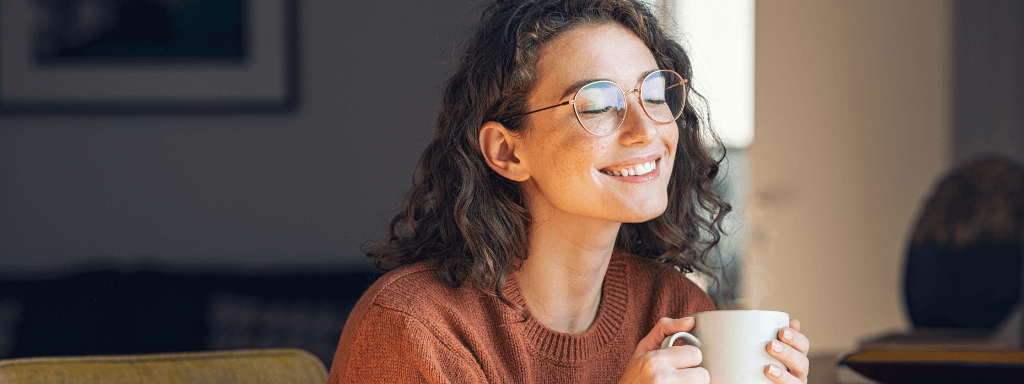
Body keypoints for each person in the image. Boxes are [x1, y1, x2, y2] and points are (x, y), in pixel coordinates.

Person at [328, 0, 810, 382]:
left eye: (656, 94)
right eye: (598, 104)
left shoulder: (676, 312)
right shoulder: (416, 329)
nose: (647, 129)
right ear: (506, 152)